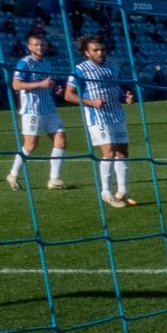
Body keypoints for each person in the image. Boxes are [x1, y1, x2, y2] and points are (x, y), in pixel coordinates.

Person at [64, 34, 138, 207]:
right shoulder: (80, 70)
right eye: (95, 50)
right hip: (97, 117)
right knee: (109, 152)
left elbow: (124, 85)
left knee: (123, 153)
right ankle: (105, 192)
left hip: (116, 114)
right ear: (86, 53)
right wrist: (91, 102)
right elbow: (68, 95)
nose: (100, 53)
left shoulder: (112, 66)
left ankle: (123, 192)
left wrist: (128, 95)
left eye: (102, 49)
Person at [6, 31, 71, 191]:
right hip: (32, 110)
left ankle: (54, 179)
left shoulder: (47, 63)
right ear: (29, 47)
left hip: (49, 109)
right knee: (31, 145)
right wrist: (41, 84)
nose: (40, 47)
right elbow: (16, 85)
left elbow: (46, 84)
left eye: (42, 44)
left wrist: (55, 88)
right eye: (36, 44)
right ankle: (13, 174)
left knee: (61, 140)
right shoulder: (24, 63)